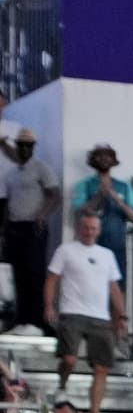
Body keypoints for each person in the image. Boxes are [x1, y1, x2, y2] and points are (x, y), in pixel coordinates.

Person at [46, 208, 127, 413]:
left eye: (93, 228)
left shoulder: (107, 255)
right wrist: (49, 306)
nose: (89, 232)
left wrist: (121, 316)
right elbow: (52, 279)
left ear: (98, 230)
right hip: (72, 311)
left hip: (100, 316)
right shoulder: (66, 250)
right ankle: (62, 385)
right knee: (69, 358)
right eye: (86, 228)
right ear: (79, 229)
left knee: (102, 367)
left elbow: (114, 288)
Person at [3, 125, 60, 335]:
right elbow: (8, 203)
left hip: (34, 227)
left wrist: (42, 215)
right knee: (17, 274)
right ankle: (21, 320)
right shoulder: (11, 174)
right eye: (22, 145)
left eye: (29, 145)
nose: (25, 149)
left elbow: (55, 195)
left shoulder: (41, 168)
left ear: (33, 147)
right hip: (15, 227)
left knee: (34, 273)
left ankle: (37, 321)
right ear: (17, 146)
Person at [69, 144, 133, 286]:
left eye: (108, 156)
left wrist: (116, 198)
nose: (104, 159)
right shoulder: (85, 184)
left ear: (113, 161)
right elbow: (80, 211)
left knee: (117, 286)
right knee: (90, 284)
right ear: (93, 160)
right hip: (90, 245)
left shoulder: (124, 186)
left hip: (117, 246)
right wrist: (100, 194)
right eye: (100, 156)